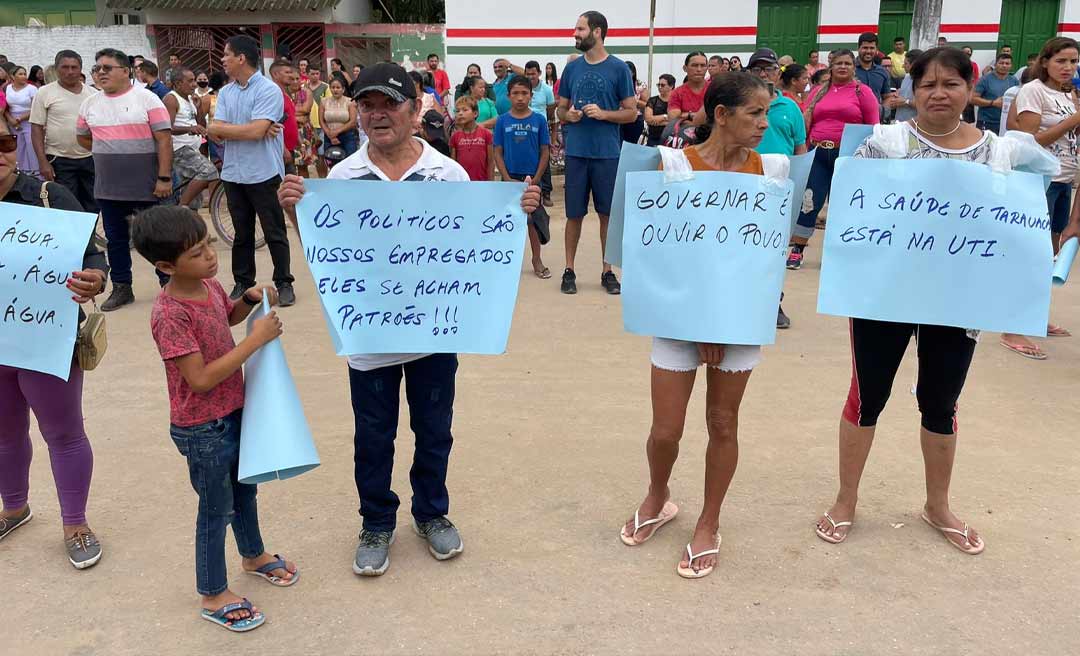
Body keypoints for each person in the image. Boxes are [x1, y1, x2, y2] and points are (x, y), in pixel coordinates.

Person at [277, 62, 540, 577]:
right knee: (373, 436)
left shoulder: (449, 173)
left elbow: (474, 242)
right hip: (369, 337)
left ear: (415, 107)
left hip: (434, 334)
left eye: (389, 103)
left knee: (434, 430)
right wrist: (296, 212)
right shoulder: (342, 177)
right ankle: (376, 521)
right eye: (366, 105)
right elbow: (328, 250)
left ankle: (431, 513)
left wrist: (517, 212)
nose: (377, 115)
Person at [813, 47, 1039, 556]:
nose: (939, 93)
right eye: (928, 84)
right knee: (867, 395)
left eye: (951, 84)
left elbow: (1015, 228)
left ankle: (938, 505)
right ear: (912, 90)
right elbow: (855, 214)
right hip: (884, 298)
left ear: (969, 88)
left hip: (958, 302)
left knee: (940, 402)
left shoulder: (998, 153)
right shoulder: (886, 143)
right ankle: (846, 500)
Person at [619, 71, 782, 579]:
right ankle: (658, 495)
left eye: (767, 113)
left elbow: (762, 263)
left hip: (738, 323)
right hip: (676, 320)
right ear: (721, 114)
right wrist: (697, 323)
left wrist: (724, 324)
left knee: (723, 423)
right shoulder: (671, 167)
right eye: (755, 113)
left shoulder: (770, 171)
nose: (763, 123)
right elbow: (651, 256)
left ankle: (710, 522)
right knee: (666, 430)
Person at [131, 205, 297, 632]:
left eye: (207, 243)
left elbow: (225, 318)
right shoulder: (169, 314)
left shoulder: (206, 285)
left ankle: (253, 554)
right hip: (202, 428)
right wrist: (256, 341)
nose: (209, 256)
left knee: (245, 492)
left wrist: (246, 301)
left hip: (233, 412)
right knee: (215, 508)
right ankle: (212, 592)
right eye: (196, 252)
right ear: (166, 266)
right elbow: (200, 378)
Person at [0, 119, 109, 569]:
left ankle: (76, 524)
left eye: (4, 142)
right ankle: (14, 507)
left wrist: (94, 279)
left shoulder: (48, 196)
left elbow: (92, 258)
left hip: (46, 336)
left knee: (63, 433)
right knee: (4, 435)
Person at [77, 47, 173, 311]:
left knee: (158, 238)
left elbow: (164, 140)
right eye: (97, 69)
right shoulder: (90, 103)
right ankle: (122, 288)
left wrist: (164, 178)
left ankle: (170, 286)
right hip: (108, 188)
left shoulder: (148, 100)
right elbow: (83, 137)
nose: (100, 73)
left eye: (107, 68)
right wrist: (110, 150)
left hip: (148, 187)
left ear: (126, 71)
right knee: (116, 240)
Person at [209, 35, 295, 307]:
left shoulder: (268, 91)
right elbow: (215, 131)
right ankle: (243, 281)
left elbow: (255, 131)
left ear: (241, 58)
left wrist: (237, 129)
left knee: (274, 231)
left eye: (226, 55)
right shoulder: (226, 92)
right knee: (241, 232)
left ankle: (284, 281)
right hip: (234, 173)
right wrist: (247, 129)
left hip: (263, 172)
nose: (222, 60)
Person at [557, 11, 637, 295]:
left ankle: (607, 271)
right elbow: (560, 109)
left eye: (580, 29)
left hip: (607, 154)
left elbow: (631, 113)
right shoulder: (571, 68)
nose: (575, 34)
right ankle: (569, 270)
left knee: (607, 215)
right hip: (577, 153)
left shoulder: (618, 69)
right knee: (574, 215)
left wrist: (604, 114)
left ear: (597, 32)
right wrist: (570, 115)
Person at [1012, 36, 1079, 347]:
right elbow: (1028, 141)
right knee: (1029, 254)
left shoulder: (1069, 95)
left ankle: (1035, 315)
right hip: (1040, 181)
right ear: (1045, 62)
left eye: (1074, 62)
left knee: (1048, 257)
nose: (1068, 67)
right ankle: (1012, 326)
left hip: (1064, 181)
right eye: (1061, 61)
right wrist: (1074, 120)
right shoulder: (1033, 91)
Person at [788, 49, 879, 270]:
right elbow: (806, 122)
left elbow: (873, 126)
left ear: (853, 67)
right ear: (831, 66)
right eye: (838, 63)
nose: (843, 67)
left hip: (847, 156)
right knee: (810, 201)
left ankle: (840, 251)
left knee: (843, 204)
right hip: (818, 153)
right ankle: (798, 249)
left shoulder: (862, 92)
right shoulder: (819, 92)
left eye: (848, 63)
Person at [749, 49, 806, 331]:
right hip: (744, 185)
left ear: (777, 73)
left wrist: (801, 181)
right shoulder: (739, 105)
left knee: (774, 248)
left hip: (779, 188)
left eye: (768, 69)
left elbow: (800, 148)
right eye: (757, 69)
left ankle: (774, 301)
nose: (762, 73)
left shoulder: (791, 108)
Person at [494, 74, 551, 279]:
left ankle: (537, 259)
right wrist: (506, 177)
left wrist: (536, 178)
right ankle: (506, 261)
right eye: (515, 93)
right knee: (508, 222)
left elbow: (545, 151)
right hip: (509, 179)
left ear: (531, 95)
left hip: (532, 178)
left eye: (524, 93)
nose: (520, 97)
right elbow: (498, 151)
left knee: (533, 222)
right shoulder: (502, 121)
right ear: (508, 96)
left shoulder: (539, 120)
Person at [30, 50, 98, 213]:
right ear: (56, 69)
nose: (70, 71)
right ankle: (73, 238)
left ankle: (90, 237)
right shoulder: (44, 93)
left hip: (90, 158)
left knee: (93, 204)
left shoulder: (93, 94)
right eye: (65, 67)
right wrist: (42, 162)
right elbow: (36, 128)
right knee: (67, 205)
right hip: (59, 159)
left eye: (74, 67)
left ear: (80, 69)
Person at [165, 68, 219, 208]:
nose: (194, 84)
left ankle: (187, 218)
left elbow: (201, 124)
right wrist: (189, 129)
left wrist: (199, 107)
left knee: (195, 200)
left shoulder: (190, 99)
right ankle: (181, 207)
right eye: (190, 81)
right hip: (180, 150)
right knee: (209, 172)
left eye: (194, 80)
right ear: (177, 83)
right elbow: (167, 128)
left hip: (192, 150)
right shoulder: (171, 99)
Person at [524, 60, 556, 206]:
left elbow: (550, 110)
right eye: (528, 74)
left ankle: (546, 193)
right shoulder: (522, 88)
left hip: (540, 129)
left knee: (544, 159)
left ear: (539, 73)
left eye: (533, 73)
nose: (531, 77)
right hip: (524, 129)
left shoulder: (547, 90)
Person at [4, 66, 40, 176]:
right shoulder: (8, 88)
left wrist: (20, 119)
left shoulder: (32, 89)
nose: (24, 76)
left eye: (25, 73)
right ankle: (22, 170)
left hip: (28, 118)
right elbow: (4, 106)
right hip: (12, 119)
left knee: (31, 144)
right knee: (18, 145)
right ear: (12, 76)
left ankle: (37, 171)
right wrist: (11, 119)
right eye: (20, 74)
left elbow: (36, 107)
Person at [971, 52, 1019, 134]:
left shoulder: (1014, 80)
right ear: (995, 64)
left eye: (1007, 63)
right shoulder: (985, 79)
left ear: (1011, 66)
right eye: (1001, 63)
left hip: (1006, 123)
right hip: (987, 122)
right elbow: (972, 99)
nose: (1004, 65)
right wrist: (993, 103)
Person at [450, 95, 493, 181]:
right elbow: (453, 163)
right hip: (462, 182)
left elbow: (490, 161)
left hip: (482, 182)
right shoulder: (455, 136)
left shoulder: (486, 134)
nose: (460, 113)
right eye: (457, 111)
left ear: (475, 113)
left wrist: (491, 182)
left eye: (465, 110)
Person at [668, 52, 709, 126]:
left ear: (707, 68)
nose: (699, 69)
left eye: (703, 65)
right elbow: (673, 118)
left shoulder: (715, 90)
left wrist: (687, 115)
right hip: (685, 135)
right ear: (685, 68)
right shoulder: (677, 93)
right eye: (694, 65)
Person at [321, 76, 358, 156]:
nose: (335, 90)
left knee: (350, 162)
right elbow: (321, 121)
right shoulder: (324, 101)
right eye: (333, 87)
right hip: (329, 137)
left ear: (343, 89)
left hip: (347, 137)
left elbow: (353, 122)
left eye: (338, 87)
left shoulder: (350, 101)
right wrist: (329, 134)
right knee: (331, 162)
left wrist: (336, 132)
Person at [304, 65, 330, 177]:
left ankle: (323, 178)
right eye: (312, 74)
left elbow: (328, 104)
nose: (315, 76)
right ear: (307, 74)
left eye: (317, 73)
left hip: (321, 125)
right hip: (307, 125)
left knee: (321, 154)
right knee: (306, 156)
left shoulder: (326, 87)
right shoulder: (303, 87)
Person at [884, 49, 923, 124]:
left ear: (914, 64)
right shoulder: (907, 77)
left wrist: (906, 102)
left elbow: (924, 106)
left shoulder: (923, 81)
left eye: (906, 63)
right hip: (899, 123)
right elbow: (903, 97)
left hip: (914, 126)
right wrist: (897, 96)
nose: (902, 66)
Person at [855, 33, 894, 107]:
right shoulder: (849, 70)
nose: (868, 51)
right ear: (858, 48)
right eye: (865, 48)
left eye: (872, 48)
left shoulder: (882, 72)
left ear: (876, 50)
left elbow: (886, 97)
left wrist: (881, 111)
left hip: (875, 117)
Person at [622, 61, 650, 145]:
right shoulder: (617, 83)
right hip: (620, 117)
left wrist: (635, 102)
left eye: (627, 71)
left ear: (633, 72)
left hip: (635, 119)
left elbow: (648, 104)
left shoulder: (640, 85)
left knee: (632, 144)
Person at [644, 73, 675, 146]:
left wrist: (656, 121)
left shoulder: (676, 101)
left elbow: (677, 120)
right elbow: (648, 119)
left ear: (671, 86)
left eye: (663, 85)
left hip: (671, 139)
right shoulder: (652, 100)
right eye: (658, 85)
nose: (660, 87)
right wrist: (666, 117)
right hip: (653, 138)